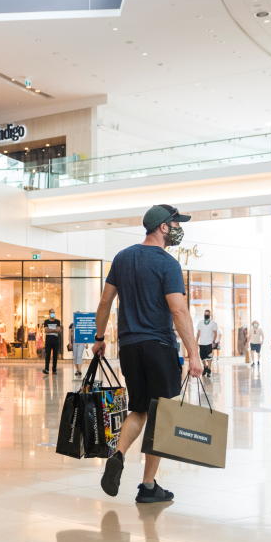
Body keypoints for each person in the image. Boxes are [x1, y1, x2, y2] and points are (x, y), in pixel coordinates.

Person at [92, 204, 203, 504]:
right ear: (163, 227)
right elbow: (178, 310)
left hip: (129, 347)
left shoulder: (122, 258)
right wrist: (194, 354)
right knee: (163, 416)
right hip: (159, 347)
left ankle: (118, 454)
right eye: (175, 223)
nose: (178, 228)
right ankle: (148, 486)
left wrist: (99, 338)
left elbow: (105, 303)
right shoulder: (167, 264)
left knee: (139, 408)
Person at [195, 310, 219, 377]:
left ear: (210, 315)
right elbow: (198, 333)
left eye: (207, 314)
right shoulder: (200, 323)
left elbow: (215, 333)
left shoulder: (213, 323)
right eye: (205, 314)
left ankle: (209, 369)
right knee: (202, 357)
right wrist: (196, 341)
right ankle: (205, 367)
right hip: (202, 343)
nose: (206, 315)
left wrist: (213, 341)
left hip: (209, 343)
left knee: (209, 357)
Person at [42, 309, 62, 375]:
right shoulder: (46, 321)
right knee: (47, 355)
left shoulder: (57, 321)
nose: (52, 314)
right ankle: (46, 369)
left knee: (55, 356)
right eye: (51, 312)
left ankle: (54, 370)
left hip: (56, 341)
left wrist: (50, 330)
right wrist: (54, 330)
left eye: (53, 312)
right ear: (49, 313)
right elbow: (46, 330)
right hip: (48, 341)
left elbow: (59, 330)